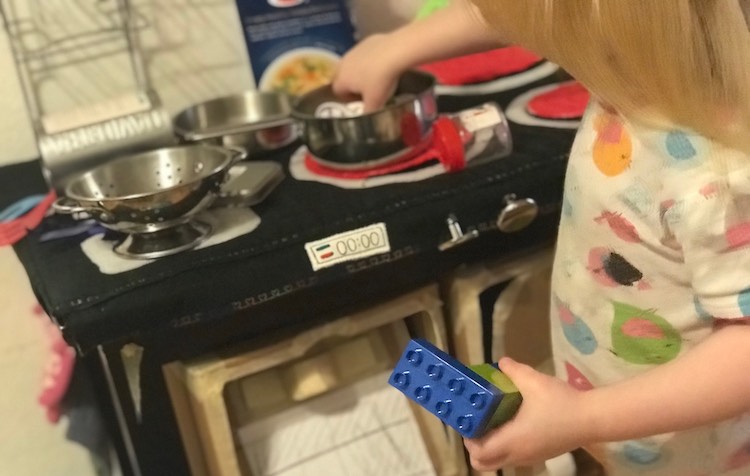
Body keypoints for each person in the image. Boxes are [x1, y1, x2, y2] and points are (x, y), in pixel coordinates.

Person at [334, 1, 750, 474]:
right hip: (621, 432)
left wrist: (583, 417)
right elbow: (513, 13)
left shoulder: (719, 176)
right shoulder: (632, 65)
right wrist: (394, 48)